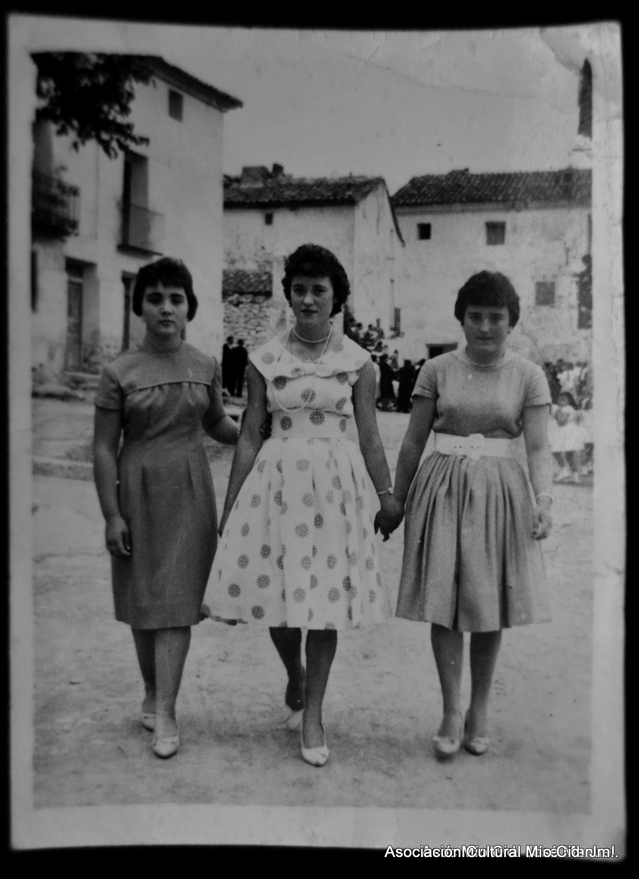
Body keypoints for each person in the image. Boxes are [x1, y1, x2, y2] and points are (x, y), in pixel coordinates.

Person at [202, 244, 399, 767]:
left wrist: (387, 497)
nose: (308, 299)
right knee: (280, 596)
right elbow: (249, 435)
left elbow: (370, 437)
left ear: (336, 298)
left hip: (336, 491)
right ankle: (296, 673)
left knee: (326, 604)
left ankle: (313, 713)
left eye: (319, 290)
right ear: (288, 294)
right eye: (300, 289)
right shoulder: (265, 359)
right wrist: (233, 505)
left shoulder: (358, 362)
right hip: (277, 485)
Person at [377, 271, 553, 760]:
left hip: (500, 494)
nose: (485, 326)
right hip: (444, 491)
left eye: (495, 317)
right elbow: (413, 441)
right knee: (446, 599)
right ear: (461, 318)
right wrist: (397, 500)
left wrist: (547, 500)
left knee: (488, 601)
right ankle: (451, 709)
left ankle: (480, 709)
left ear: (511, 322)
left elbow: (537, 447)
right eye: (475, 316)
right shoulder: (436, 370)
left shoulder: (528, 375)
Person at [93, 257, 239, 759]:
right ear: (140, 307)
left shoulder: (204, 364)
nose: (166, 307)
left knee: (176, 603)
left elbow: (217, 423)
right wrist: (112, 514)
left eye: (176, 298)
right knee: (143, 600)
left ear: (189, 307)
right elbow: (102, 448)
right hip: (137, 491)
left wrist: (259, 434)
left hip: (191, 491)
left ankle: (168, 711)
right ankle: (152, 692)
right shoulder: (119, 372)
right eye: (155, 298)